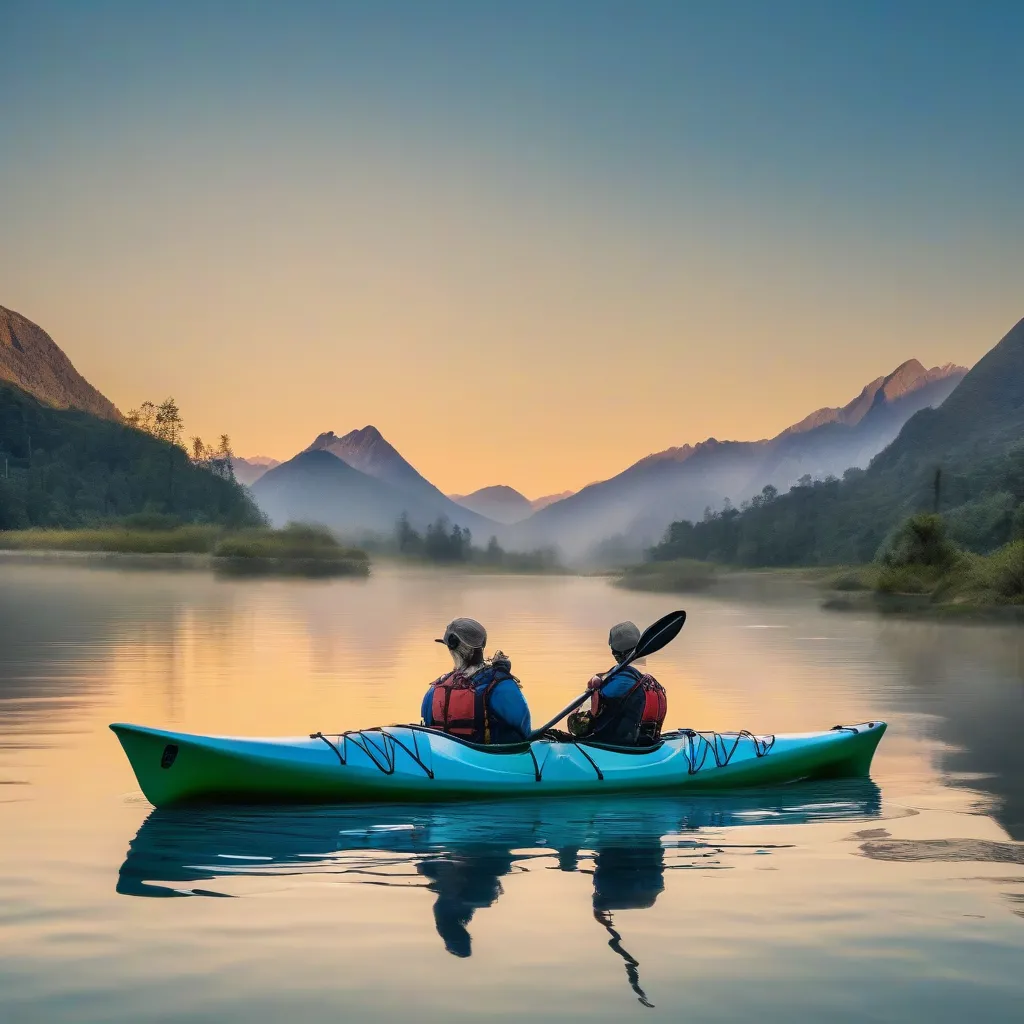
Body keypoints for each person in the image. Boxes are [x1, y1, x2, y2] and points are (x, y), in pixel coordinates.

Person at [421, 617, 531, 744]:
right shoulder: (501, 686)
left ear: (450, 648)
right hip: (495, 759)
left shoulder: (435, 689)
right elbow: (525, 730)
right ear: (482, 645)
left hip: (447, 758)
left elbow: (428, 727)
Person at [567, 621, 667, 746]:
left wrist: (591, 688)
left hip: (614, 747)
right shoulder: (650, 681)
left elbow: (577, 727)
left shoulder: (616, 685)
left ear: (615, 653)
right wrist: (599, 677)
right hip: (641, 744)